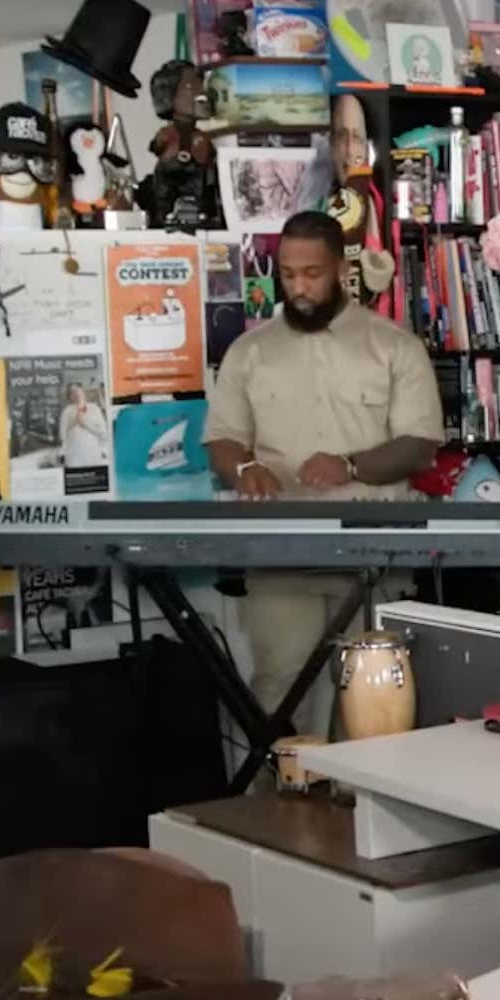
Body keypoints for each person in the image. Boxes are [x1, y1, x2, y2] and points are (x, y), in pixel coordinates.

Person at [204, 210, 443, 739]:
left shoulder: (394, 346)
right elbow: (221, 438)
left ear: (339, 269)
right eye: (288, 274)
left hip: (375, 554)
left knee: (371, 699)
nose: (299, 286)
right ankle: (285, 809)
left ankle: (360, 811)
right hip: (281, 557)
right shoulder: (250, 351)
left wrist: (351, 465)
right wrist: (243, 467)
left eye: (311, 273)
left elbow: (421, 445)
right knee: (281, 689)